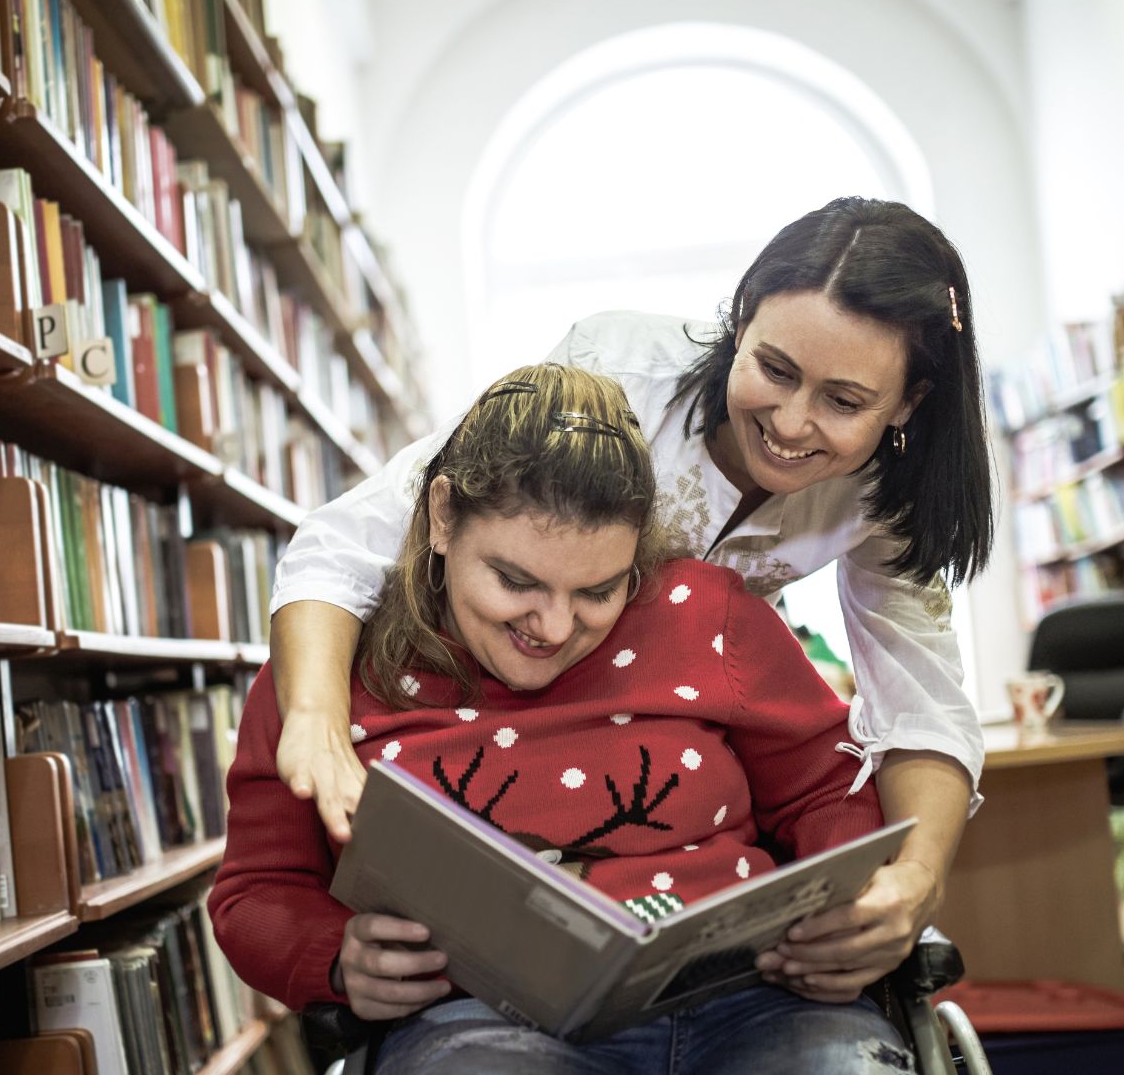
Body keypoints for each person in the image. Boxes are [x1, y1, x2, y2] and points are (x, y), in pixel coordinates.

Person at [270, 197, 993, 991]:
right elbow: (353, 539)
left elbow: (921, 696)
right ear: (740, 320)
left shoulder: (892, 489)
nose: (790, 421)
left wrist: (918, 880)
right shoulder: (614, 370)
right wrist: (313, 720)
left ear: (907, 405)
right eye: (774, 369)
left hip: (698, 740)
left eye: (844, 402)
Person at [209, 364, 915, 1074]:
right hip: (479, 1023)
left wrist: (850, 911)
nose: (551, 627)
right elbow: (256, 890)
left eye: (598, 591)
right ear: (443, 516)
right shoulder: (328, 672)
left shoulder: (706, 614)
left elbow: (830, 788)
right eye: (515, 582)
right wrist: (337, 957)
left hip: (753, 999)